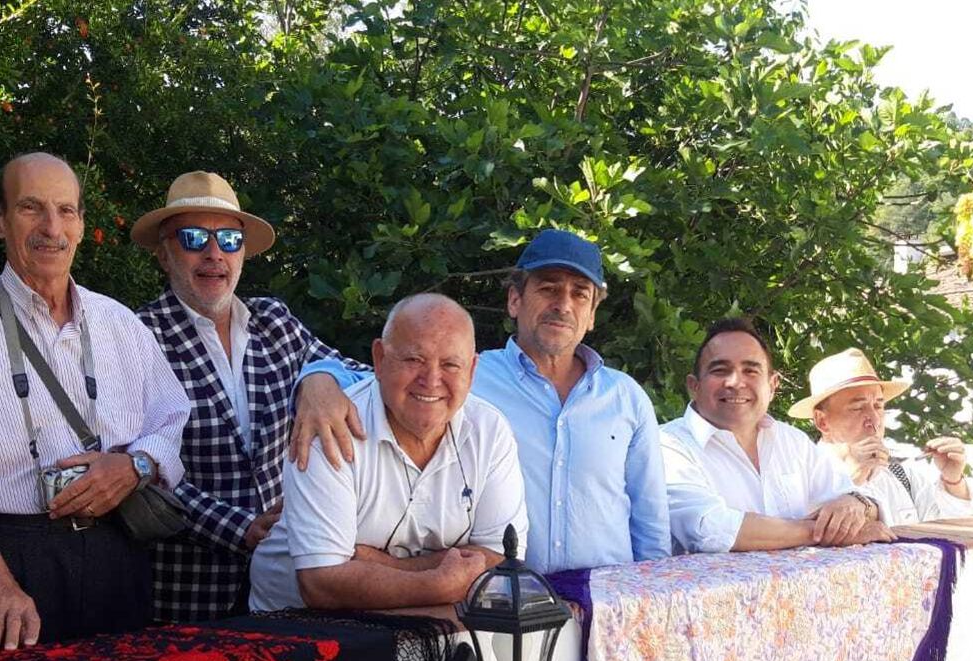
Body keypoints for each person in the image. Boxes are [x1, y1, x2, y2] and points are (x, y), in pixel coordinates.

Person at [0, 152, 190, 653]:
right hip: (10, 559)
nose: (51, 228)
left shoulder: (120, 324)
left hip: (118, 554)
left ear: (80, 224)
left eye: (66, 210)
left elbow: (170, 420)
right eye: (31, 208)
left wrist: (135, 466)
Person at [291, 229, 668, 573]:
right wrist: (318, 379)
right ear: (515, 300)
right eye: (548, 288)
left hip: (609, 601)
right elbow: (383, 378)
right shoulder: (463, 378)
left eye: (580, 294)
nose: (563, 305)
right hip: (504, 603)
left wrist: (657, 595)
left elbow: (650, 520)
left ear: (592, 315)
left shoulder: (626, 398)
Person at [131, 171, 369, 620]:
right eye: (194, 238)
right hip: (186, 593)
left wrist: (321, 376)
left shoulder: (274, 321)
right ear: (164, 254)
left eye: (229, 240)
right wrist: (240, 528)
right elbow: (135, 466)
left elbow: (368, 380)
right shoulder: (137, 335)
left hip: (284, 586)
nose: (214, 253)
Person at [248, 294, 526, 611]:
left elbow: (503, 558)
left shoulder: (489, 431)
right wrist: (440, 583)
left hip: (434, 621)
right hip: (294, 626)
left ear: (472, 370)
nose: (431, 380)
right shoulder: (329, 427)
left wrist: (385, 566)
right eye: (414, 360)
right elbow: (320, 584)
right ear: (379, 359)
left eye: (450, 364)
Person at [661, 318, 893, 553]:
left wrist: (855, 504)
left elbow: (859, 499)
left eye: (750, 370)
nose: (735, 382)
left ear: (772, 386)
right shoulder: (667, 445)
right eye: (720, 370)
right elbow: (709, 528)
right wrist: (824, 533)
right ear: (694, 386)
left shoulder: (793, 441)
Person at [790, 348, 973, 525]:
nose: (874, 418)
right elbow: (805, 535)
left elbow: (953, 534)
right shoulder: (799, 479)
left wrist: (953, 481)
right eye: (858, 408)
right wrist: (852, 478)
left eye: (878, 406)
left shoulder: (901, 477)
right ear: (822, 421)